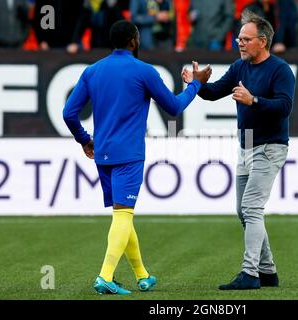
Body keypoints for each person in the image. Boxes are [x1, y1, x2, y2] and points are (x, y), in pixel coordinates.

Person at [63, 20, 211, 295]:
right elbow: (175, 108)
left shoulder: (92, 71)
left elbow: (68, 114)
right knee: (123, 214)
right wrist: (195, 85)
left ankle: (143, 275)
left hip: (102, 154)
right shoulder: (144, 71)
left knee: (122, 214)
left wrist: (85, 140)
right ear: (134, 41)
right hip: (129, 154)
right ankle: (105, 276)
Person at [182, 9, 295, 290]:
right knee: (243, 210)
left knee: (251, 208)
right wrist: (196, 83)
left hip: (270, 147)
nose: (239, 43)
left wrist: (253, 100)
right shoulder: (240, 67)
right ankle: (268, 272)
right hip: (246, 147)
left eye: (245, 39)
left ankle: (250, 273)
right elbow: (213, 92)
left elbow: (285, 107)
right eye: (238, 38)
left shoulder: (280, 70)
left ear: (263, 41)